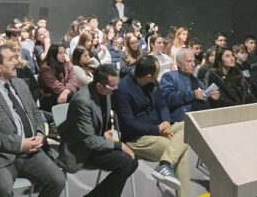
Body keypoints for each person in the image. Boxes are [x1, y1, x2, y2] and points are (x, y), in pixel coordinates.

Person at [0, 46, 65, 197]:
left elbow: (36, 112)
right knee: (3, 189)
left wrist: (40, 134)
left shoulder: (20, 83)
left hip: (31, 151)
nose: (16, 62)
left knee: (58, 181)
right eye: (11, 59)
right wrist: (19, 144)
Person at [113, 55, 189, 196]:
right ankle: (166, 166)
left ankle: (165, 164)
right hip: (138, 138)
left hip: (159, 127)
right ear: (148, 76)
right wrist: (157, 130)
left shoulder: (152, 82)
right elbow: (128, 124)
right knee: (181, 152)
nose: (158, 76)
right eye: (156, 73)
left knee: (189, 126)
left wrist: (166, 121)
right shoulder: (122, 89)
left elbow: (162, 104)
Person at [58, 65, 138, 197]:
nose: (116, 88)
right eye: (112, 86)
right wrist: (119, 145)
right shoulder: (82, 101)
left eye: (116, 83)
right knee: (126, 162)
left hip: (95, 144)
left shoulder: (105, 92)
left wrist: (105, 131)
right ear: (99, 85)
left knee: (132, 161)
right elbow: (89, 140)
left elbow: (101, 119)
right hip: (80, 151)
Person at [161, 49, 220, 122]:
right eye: (189, 61)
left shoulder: (195, 79)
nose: (193, 64)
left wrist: (212, 97)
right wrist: (192, 95)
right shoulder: (170, 77)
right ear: (179, 64)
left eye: (194, 61)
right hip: (184, 121)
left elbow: (205, 96)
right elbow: (167, 98)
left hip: (205, 118)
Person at [38, 43, 78, 112]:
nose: (63, 55)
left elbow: (73, 79)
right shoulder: (45, 68)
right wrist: (67, 91)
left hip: (65, 93)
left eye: (64, 52)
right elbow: (56, 86)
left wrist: (67, 91)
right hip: (50, 98)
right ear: (54, 54)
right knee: (74, 97)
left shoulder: (66, 64)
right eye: (60, 53)